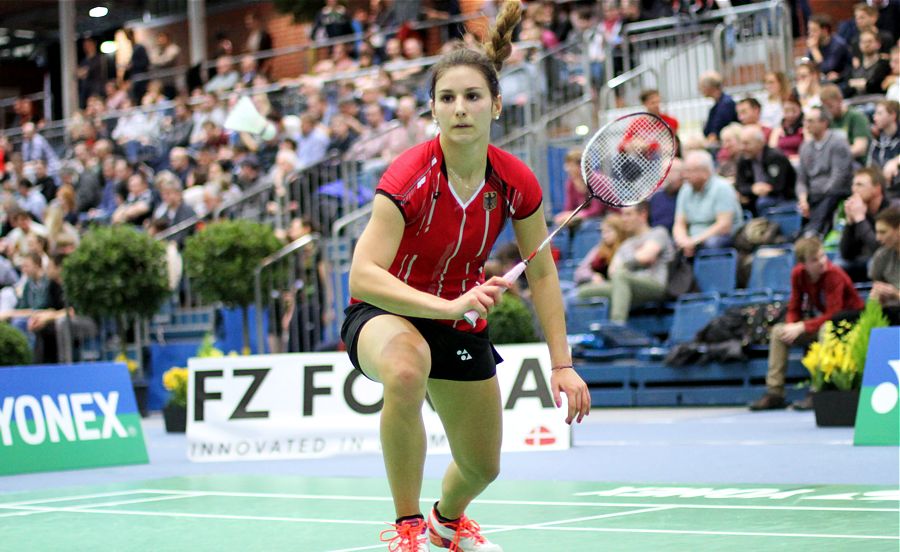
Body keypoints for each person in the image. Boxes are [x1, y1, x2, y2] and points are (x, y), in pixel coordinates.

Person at [340, 4, 590, 550]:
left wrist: (562, 363)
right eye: (447, 98)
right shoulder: (408, 177)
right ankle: (407, 529)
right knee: (407, 369)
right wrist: (449, 307)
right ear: (432, 108)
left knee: (482, 466)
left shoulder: (515, 181)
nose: (460, 108)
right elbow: (362, 272)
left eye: (473, 97)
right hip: (385, 312)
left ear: (496, 106)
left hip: (459, 315)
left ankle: (445, 522)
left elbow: (543, 274)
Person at [749, 237, 864, 411]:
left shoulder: (834, 274)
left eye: (823, 256)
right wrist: (791, 326)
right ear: (803, 264)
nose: (822, 262)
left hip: (849, 325)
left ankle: (817, 390)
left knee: (827, 329)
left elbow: (834, 315)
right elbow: (794, 306)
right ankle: (774, 392)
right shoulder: (798, 274)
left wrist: (802, 327)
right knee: (779, 332)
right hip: (824, 323)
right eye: (815, 260)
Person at [575, 203, 674, 322]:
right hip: (624, 286)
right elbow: (612, 271)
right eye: (623, 215)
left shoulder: (658, 232)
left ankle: (617, 323)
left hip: (654, 285)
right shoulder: (626, 244)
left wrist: (628, 263)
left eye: (628, 214)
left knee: (621, 275)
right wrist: (637, 258)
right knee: (584, 291)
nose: (624, 219)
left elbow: (645, 256)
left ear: (643, 214)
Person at [673, 150, 744, 257]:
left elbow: (724, 226)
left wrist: (694, 241)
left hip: (721, 236)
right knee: (670, 246)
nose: (684, 175)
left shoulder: (722, 188)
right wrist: (682, 240)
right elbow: (679, 223)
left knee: (712, 244)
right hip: (692, 238)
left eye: (689, 171)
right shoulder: (685, 189)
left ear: (705, 173)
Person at [796, 106, 853, 237]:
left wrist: (820, 195)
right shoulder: (805, 147)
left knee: (831, 195)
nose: (806, 124)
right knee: (802, 203)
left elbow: (839, 177)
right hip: (813, 195)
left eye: (811, 121)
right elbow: (801, 179)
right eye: (805, 121)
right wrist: (803, 199)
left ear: (824, 123)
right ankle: (804, 234)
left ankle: (814, 232)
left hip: (833, 193)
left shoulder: (838, 143)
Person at [838, 168, 893, 281]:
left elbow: (881, 252)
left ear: (877, 189)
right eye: (853, 185)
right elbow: (846, 254)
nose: (854, 189)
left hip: (889, 262)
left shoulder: (891, 211)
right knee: (837, 266)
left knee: (873, 265)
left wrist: (860, 219)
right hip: (863, 259)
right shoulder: (859, 209)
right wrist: (850, 222)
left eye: (860, 185)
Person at [735, 125, 796, 216]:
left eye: (747, 143)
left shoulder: (775, 157)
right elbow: (740, 185)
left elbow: (778, 186)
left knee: (763, 202)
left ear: (760, 143)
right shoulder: (743, 159)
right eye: (741, 143)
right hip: (755, 195)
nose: (743, 147)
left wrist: (756, 190)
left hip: (782, 196)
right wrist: (752, 189)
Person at [870, 207, 900, 324]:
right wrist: (878, 295)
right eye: (877, 232)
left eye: (883, 232)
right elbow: (876, 284)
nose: (877, 238)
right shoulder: (881, 256)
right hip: (892, 311)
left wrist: (895, 293)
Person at [699, 70, 738, 146]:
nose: (700, 90)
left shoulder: (726, 104)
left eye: (702, 86)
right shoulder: (716, 106)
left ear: (710, 87)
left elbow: (715, 134)